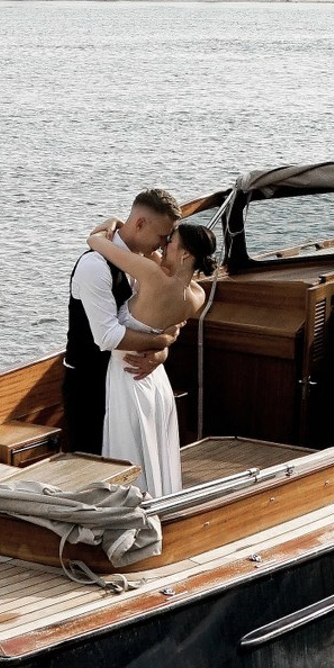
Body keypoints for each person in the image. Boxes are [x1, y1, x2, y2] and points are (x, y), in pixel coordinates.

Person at [87, 215, 218, 497]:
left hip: (129, 375)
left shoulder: (151, 275)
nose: (164, 245)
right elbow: (170, 332)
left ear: (184, 254)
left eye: (170, 242)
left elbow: (95, 242)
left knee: (128, 453)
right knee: (156, 450)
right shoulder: (197, 294)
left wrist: (112, 223)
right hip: (157, 380)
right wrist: (162, 348)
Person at [65, 189, 180, 457]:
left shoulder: (145, 265)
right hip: (92, 388)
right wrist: (160, 341)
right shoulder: (94, 266)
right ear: (140, 223)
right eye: (162, 237)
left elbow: (169, 315)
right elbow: (107, 336)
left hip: (129, 387)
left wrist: (162, 351)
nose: (164, 245)